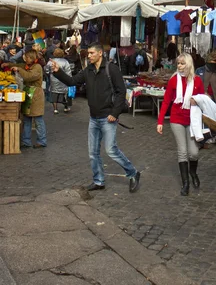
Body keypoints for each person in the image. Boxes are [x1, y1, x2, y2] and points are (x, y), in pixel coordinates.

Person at [52, 43, 140, 193]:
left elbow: (121, 92)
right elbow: (72, 81)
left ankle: (133, 173)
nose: (89, 55)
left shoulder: (111, 69)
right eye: (89, 53)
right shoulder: (89, 70)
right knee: (93, 152)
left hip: (108, 117)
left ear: (100, 53)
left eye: (92, 53)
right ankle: (99, 180)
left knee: (111, 150)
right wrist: (58, 71)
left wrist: (115, 113)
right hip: (94, 118)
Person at [157, 53, 205, 196]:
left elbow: (203, 100)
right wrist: (160, 122)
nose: (179, 66)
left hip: (192, 120)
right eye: (178, 63)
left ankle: (193, 172)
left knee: (194, 152)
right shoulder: (173, 81)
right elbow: (166, 102)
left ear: (189, 64)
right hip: (176, 119)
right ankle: (186, 184)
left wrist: (196, 101)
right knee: (182, 152)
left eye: (182, 63)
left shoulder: (197, 81)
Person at [10, 50, 46, 149]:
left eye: (27, 57)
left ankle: (42, 141)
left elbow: (29, 76)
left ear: (31, 58)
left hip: (36, 96)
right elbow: (20, 67)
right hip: (28, 94)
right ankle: (26, 141)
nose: (25, 59)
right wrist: (8, 65)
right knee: (26, 119)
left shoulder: (37, 67)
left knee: (38, 119)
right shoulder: (28, 66)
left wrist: (19, 70)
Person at [48, 48, 72, 114]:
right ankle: (66, 107)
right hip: (63, 80)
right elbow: (68, 72)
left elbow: (47, 70)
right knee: (65, 93)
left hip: (53, 79)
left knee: (54, 94)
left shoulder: (50, 61)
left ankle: (55, 109)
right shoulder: (65, 61)